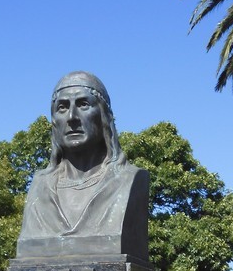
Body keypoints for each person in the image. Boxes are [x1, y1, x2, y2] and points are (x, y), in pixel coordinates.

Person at [17, 71, 149, 259]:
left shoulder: (128, 181)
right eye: (62, 107)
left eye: (83, 104)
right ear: (54, 121)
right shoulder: (40, 186)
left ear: (104, 115)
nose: (72, 117)